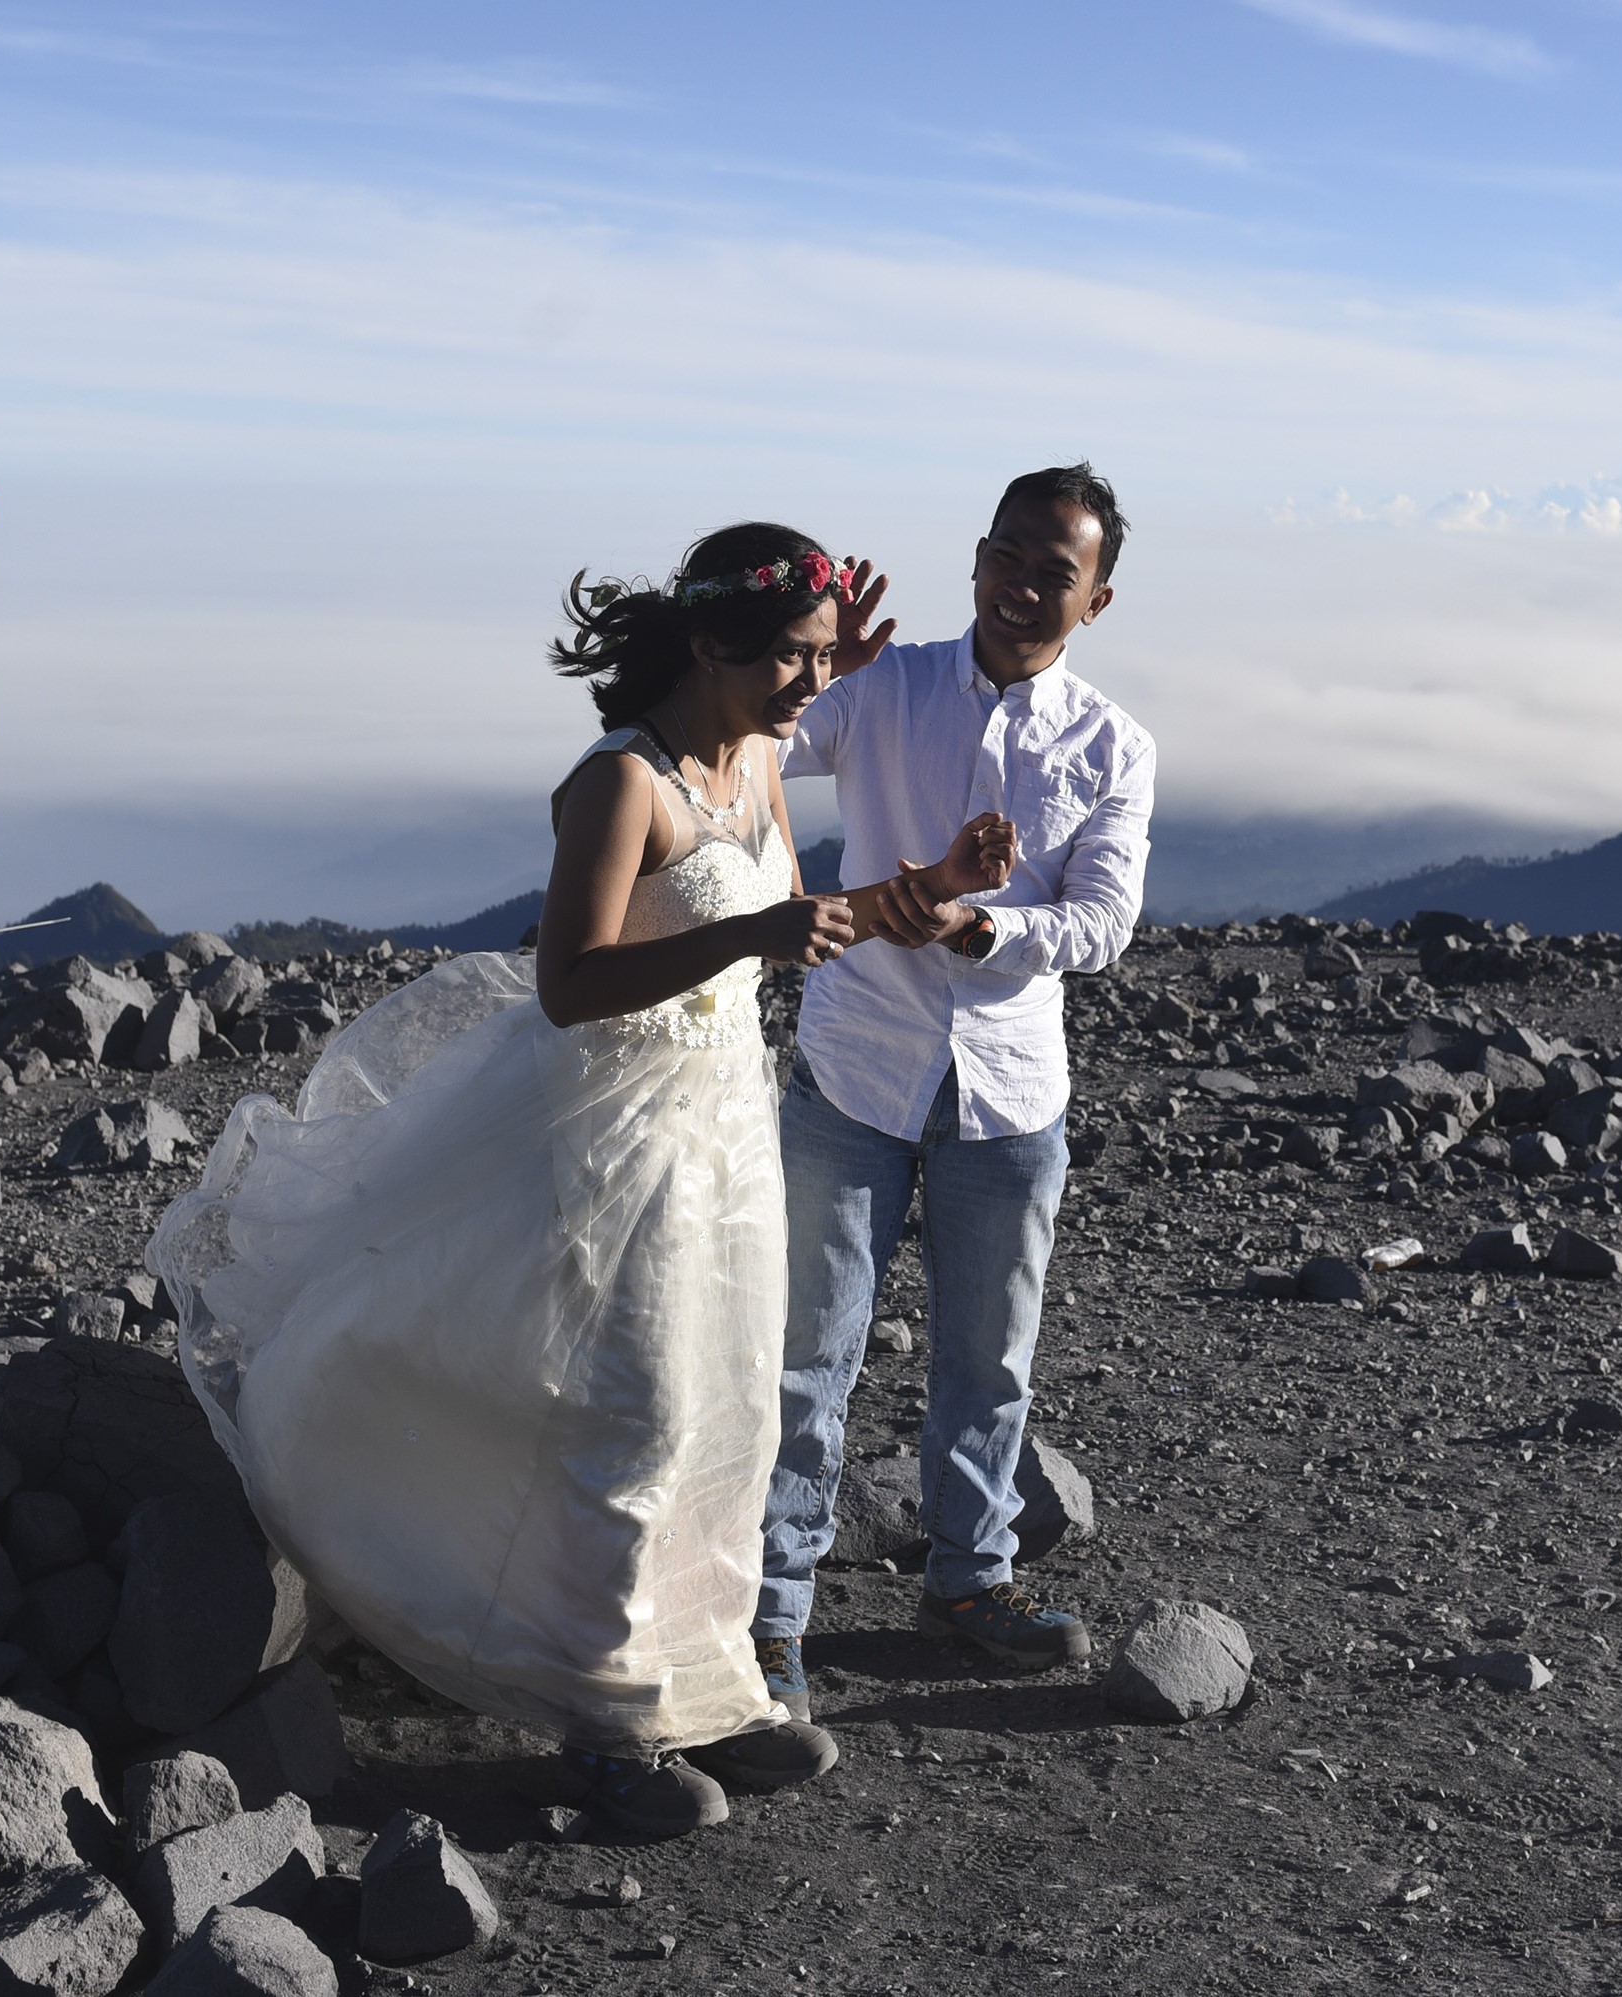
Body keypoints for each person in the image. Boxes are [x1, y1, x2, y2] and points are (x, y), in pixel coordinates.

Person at [150, 524, 1018, 1841]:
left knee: (729, 1405)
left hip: (728, 1126)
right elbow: (567, 984)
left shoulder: (760, 758)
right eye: (795, 657)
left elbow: (803, 924)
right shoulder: (620, 783)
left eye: (823, 659)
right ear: (713, 643)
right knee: (635, 1415)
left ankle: (707, 1691)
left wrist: (927, 891)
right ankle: (608, 1729)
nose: (814, 684)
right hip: (612, 1133)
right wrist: (754, 930)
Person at [756, 465, 1155, 1711]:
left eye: (1058, 571)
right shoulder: (886, 684)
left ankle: (969, 1575)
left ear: (1097, 600)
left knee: (991, 1358)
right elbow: (753, 750)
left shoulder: (1114, 744)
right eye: (1012, 556)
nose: (1027, 585)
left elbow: (1105, 922)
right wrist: (821, 670)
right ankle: (773, 1614)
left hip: (1012, 1087)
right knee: (806, 1351)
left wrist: (980, 931)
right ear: (978, 556)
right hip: (855, 1064)